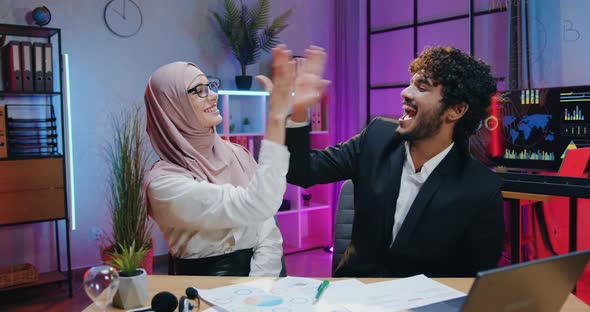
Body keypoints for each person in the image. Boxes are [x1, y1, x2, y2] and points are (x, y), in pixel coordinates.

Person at [285, 46, 505, 277]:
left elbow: (474, 281)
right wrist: (299, 110)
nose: (405, 93)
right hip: (354, 296)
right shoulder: (376, 138)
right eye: (411, 83)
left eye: (421, 87)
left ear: (456, 110)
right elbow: (300, 170)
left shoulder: (481, 189)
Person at [142, 45, 326, 276]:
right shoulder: (164, 184)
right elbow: (255, 204)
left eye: (210, 86)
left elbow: (267, 228)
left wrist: (255, 292)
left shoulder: (238, 155)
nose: (212, 95)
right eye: (198, 90)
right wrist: (278, 116)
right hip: (201, 292)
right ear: (172, 107)